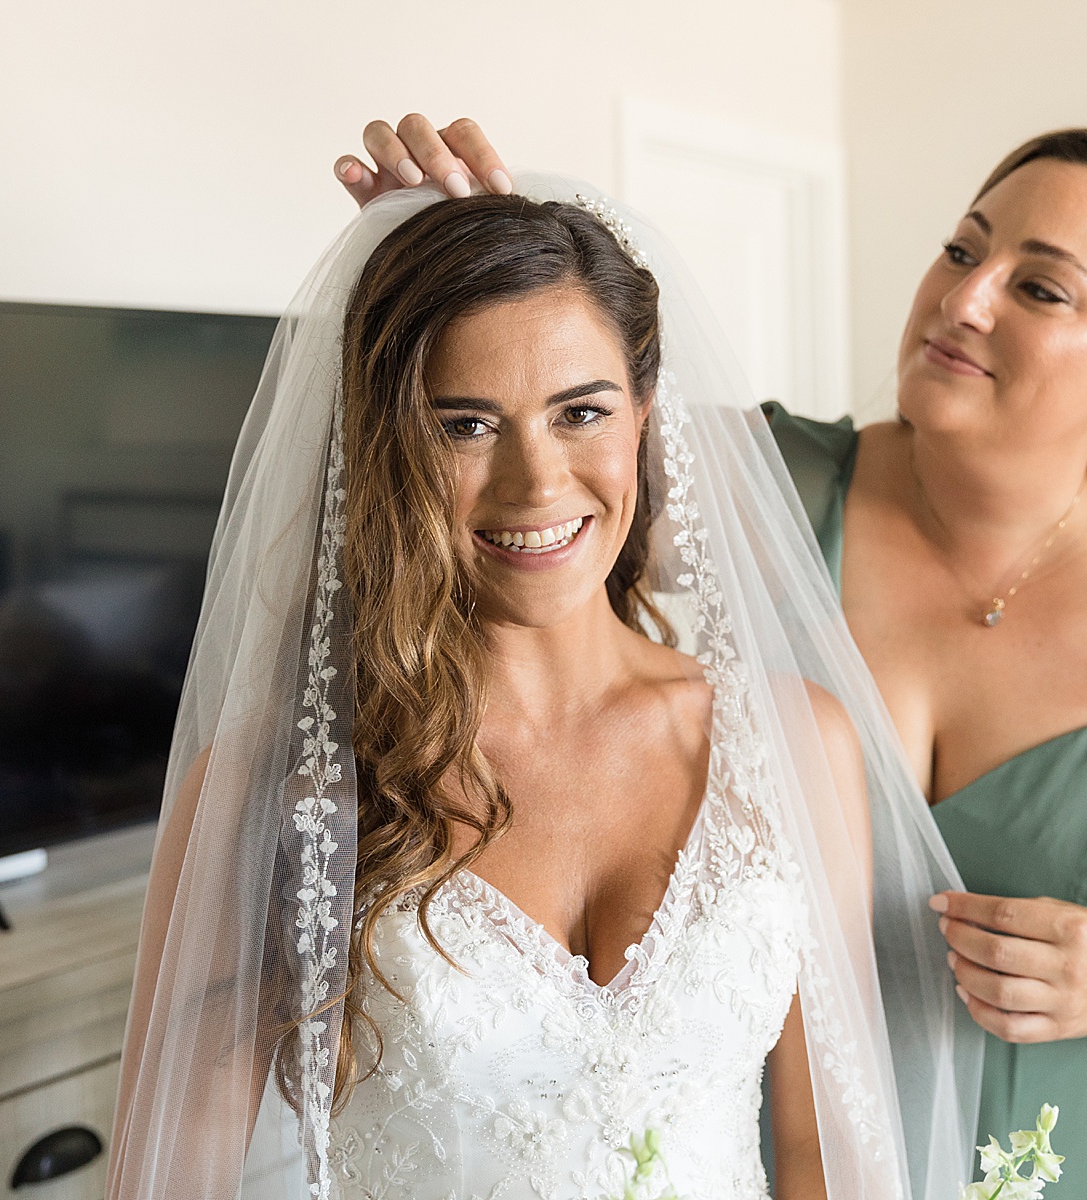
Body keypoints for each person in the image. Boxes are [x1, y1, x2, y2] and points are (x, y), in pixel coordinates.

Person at [332, 118, 1087, 1200]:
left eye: (1040, 288)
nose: (963, 299)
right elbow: (544, 438)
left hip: (1077, 1150)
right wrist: (442, 262)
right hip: (781, 1156)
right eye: (963, 250)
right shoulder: (768, 488)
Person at [108, 179, 979, 1200]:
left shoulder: (793, 742)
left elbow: (823, 1152)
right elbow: (166, 1183)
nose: (536, 482)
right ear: (385, 449)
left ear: (645, 415)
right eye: (466, 425)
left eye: (581, 412)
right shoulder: (275, 784)